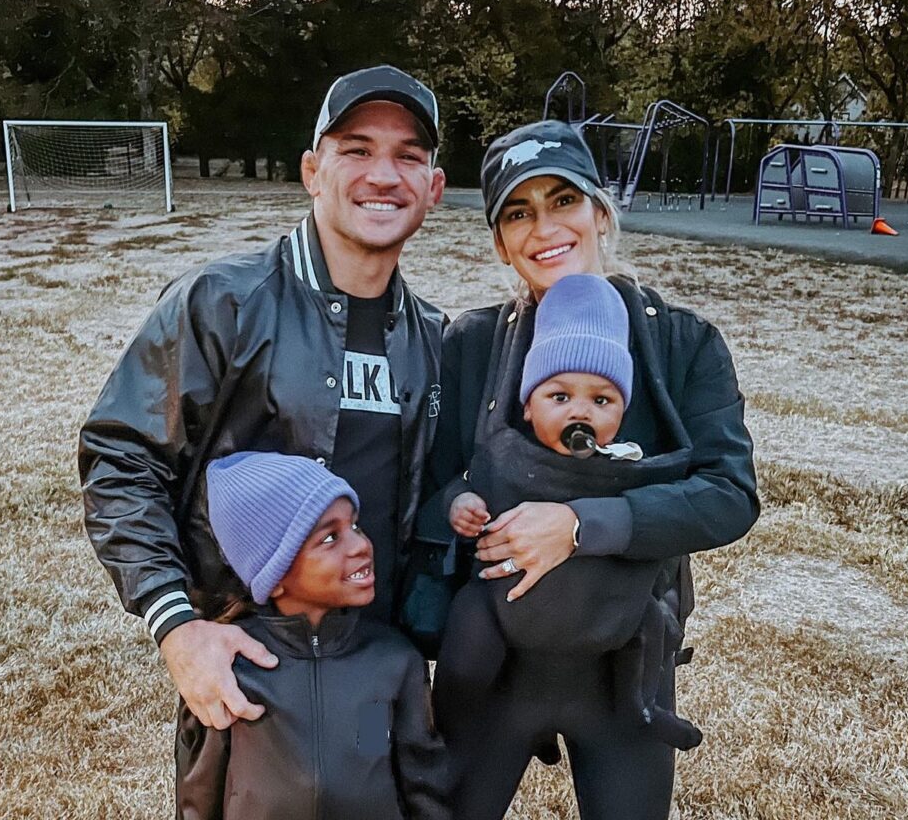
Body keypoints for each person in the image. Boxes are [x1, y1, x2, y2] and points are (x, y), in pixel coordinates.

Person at [79, 64, 447, 733]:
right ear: (313, 171)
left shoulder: (436, 339)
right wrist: (178, 627)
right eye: (357, 149)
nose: (384, 175)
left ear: (434, 187)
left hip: (381, 671)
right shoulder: (223, 302)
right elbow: (122, 458)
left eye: (408, 156)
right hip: (250, 667)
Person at [423, 119, 758, 819]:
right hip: (496, 668)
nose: (545, 227)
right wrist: (457, 508)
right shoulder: (472, 346)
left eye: (563, 201)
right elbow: (432, 486)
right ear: (499, 241)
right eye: (519, 211)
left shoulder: (680, 343)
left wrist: (580, 524)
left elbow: (729, 495)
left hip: (626, 672)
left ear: (601, 213)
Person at [436, 273, 701, 754]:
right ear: (529, 406)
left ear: (622, 411)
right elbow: (460, 479)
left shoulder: (629, 461)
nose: (581, 412)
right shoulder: (503, 453)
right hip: (506, 607)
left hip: (610, 609)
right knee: (468, 638)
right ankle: (447, 725)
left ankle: (649, 709)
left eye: (602, 400)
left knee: (649, 631)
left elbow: (696, 501)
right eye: (559, 397)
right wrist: (461, 503)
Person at [176, 451, 449, 820]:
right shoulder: (230, 669)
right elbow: (200, 793)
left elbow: (418, 785)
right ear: (274, 576)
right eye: (330, 538)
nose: (361, 545)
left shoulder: (391, 662)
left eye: (355, 525)